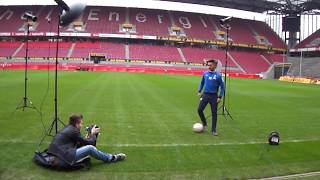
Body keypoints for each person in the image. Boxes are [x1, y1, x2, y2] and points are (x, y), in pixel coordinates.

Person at [48, 114, 126, 166]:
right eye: (81, 123)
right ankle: (112, 158)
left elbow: (78, 143)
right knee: (90, 149)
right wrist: (92, 134)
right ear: (76, 124)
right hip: (64, 158)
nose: (82, 125)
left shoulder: (68, 128)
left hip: (56, 155)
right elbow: (91, 144)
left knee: (87, 146)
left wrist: (88, 137)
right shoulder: (74, 131)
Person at [197, 59, 225, 136]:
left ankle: (213, 130)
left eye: (210, 65)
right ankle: (204, 123)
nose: (209, 66)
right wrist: (199, 91)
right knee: (199, 110)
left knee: (214, 113)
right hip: (205, 95)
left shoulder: (219, 76)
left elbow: (222, 87)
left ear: (215, 66)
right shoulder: (205, 73)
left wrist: (219, 97)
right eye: (208, 65)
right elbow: (202, 83)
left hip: (214, 96)